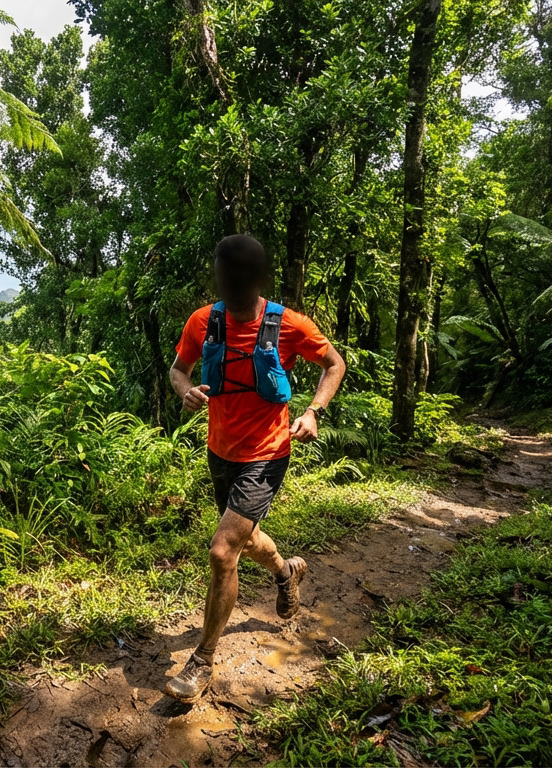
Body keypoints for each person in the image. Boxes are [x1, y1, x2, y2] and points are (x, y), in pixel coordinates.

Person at [164, 233, 346, 700]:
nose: (234, 285)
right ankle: (286, 572)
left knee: (223, 549)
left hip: (267, 454)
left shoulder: (289, 324)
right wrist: (184, 389)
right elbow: (177, 368)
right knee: (244, 538)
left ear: (257, 280)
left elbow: (334, 364)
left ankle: (202, 661)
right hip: (220, 450)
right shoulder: (203, 321)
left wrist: (313, 411)